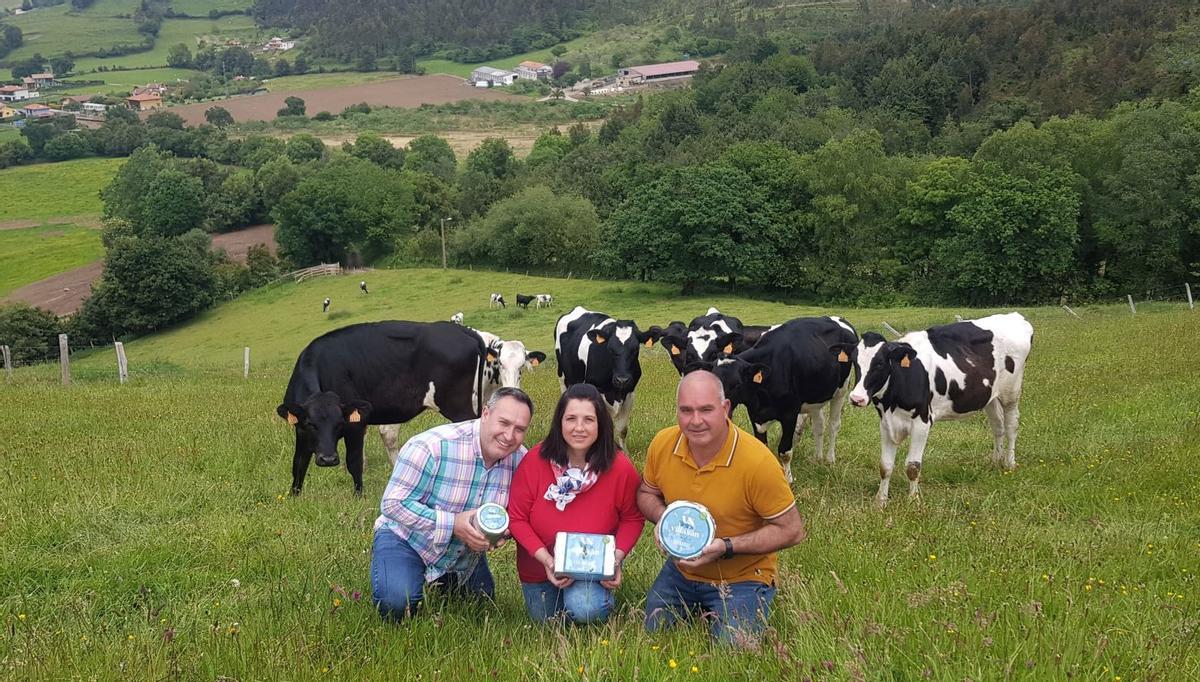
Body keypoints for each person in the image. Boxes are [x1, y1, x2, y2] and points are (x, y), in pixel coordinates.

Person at [638, 370, 807, 646]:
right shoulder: (663, 444)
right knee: (654, 632)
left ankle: (754, 598)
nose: (695, 421)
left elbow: (792, 531)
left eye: (706, 409)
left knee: (733, 646)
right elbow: (646, 493)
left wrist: (726, 547)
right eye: (686, 410)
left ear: (726, 408)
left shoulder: (757, 462)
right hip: (681, 570)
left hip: (742, 576)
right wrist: (665, 518)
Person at [370, 387, 533, 621]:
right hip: (408, 539)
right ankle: (397, 568)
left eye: (520, 429)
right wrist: (453, 523)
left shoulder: (520, 460)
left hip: (463, 551)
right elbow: (393, 504)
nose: (509, 436)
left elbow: (515, 512)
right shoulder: (432, 446)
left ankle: (446, 579)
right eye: (504, 423)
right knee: (397, 604)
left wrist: (501, 532)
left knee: (482, 605)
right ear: (485, 414)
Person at [507, 383, 645, 624]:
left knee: (585, 608)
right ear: (559, 422)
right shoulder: (534, 461)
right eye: (571, 418)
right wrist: (547, 561)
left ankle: (596, 600)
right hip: (539, 569)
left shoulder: (620, 467)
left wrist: (615, 558)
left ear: (601, 424)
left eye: (589, 420)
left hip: (591, 571)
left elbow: (633, 518)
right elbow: (517, 518)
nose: (579, 428)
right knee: (548, 622)